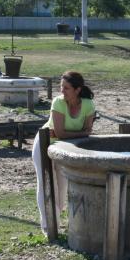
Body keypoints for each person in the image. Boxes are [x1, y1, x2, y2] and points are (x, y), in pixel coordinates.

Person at [31, 71, 95, 235]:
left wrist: (72, 134)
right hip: (45, 144)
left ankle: (55, 220)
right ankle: (48, 225)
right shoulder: (58, 102)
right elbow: (62, 133)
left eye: (66, 88)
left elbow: (86, 130)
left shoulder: (88, 105)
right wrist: (80, 133)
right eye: (61, 87)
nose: (62, 91)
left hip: (64, 149)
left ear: (77, 90)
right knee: (46, 183)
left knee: (61, 188)